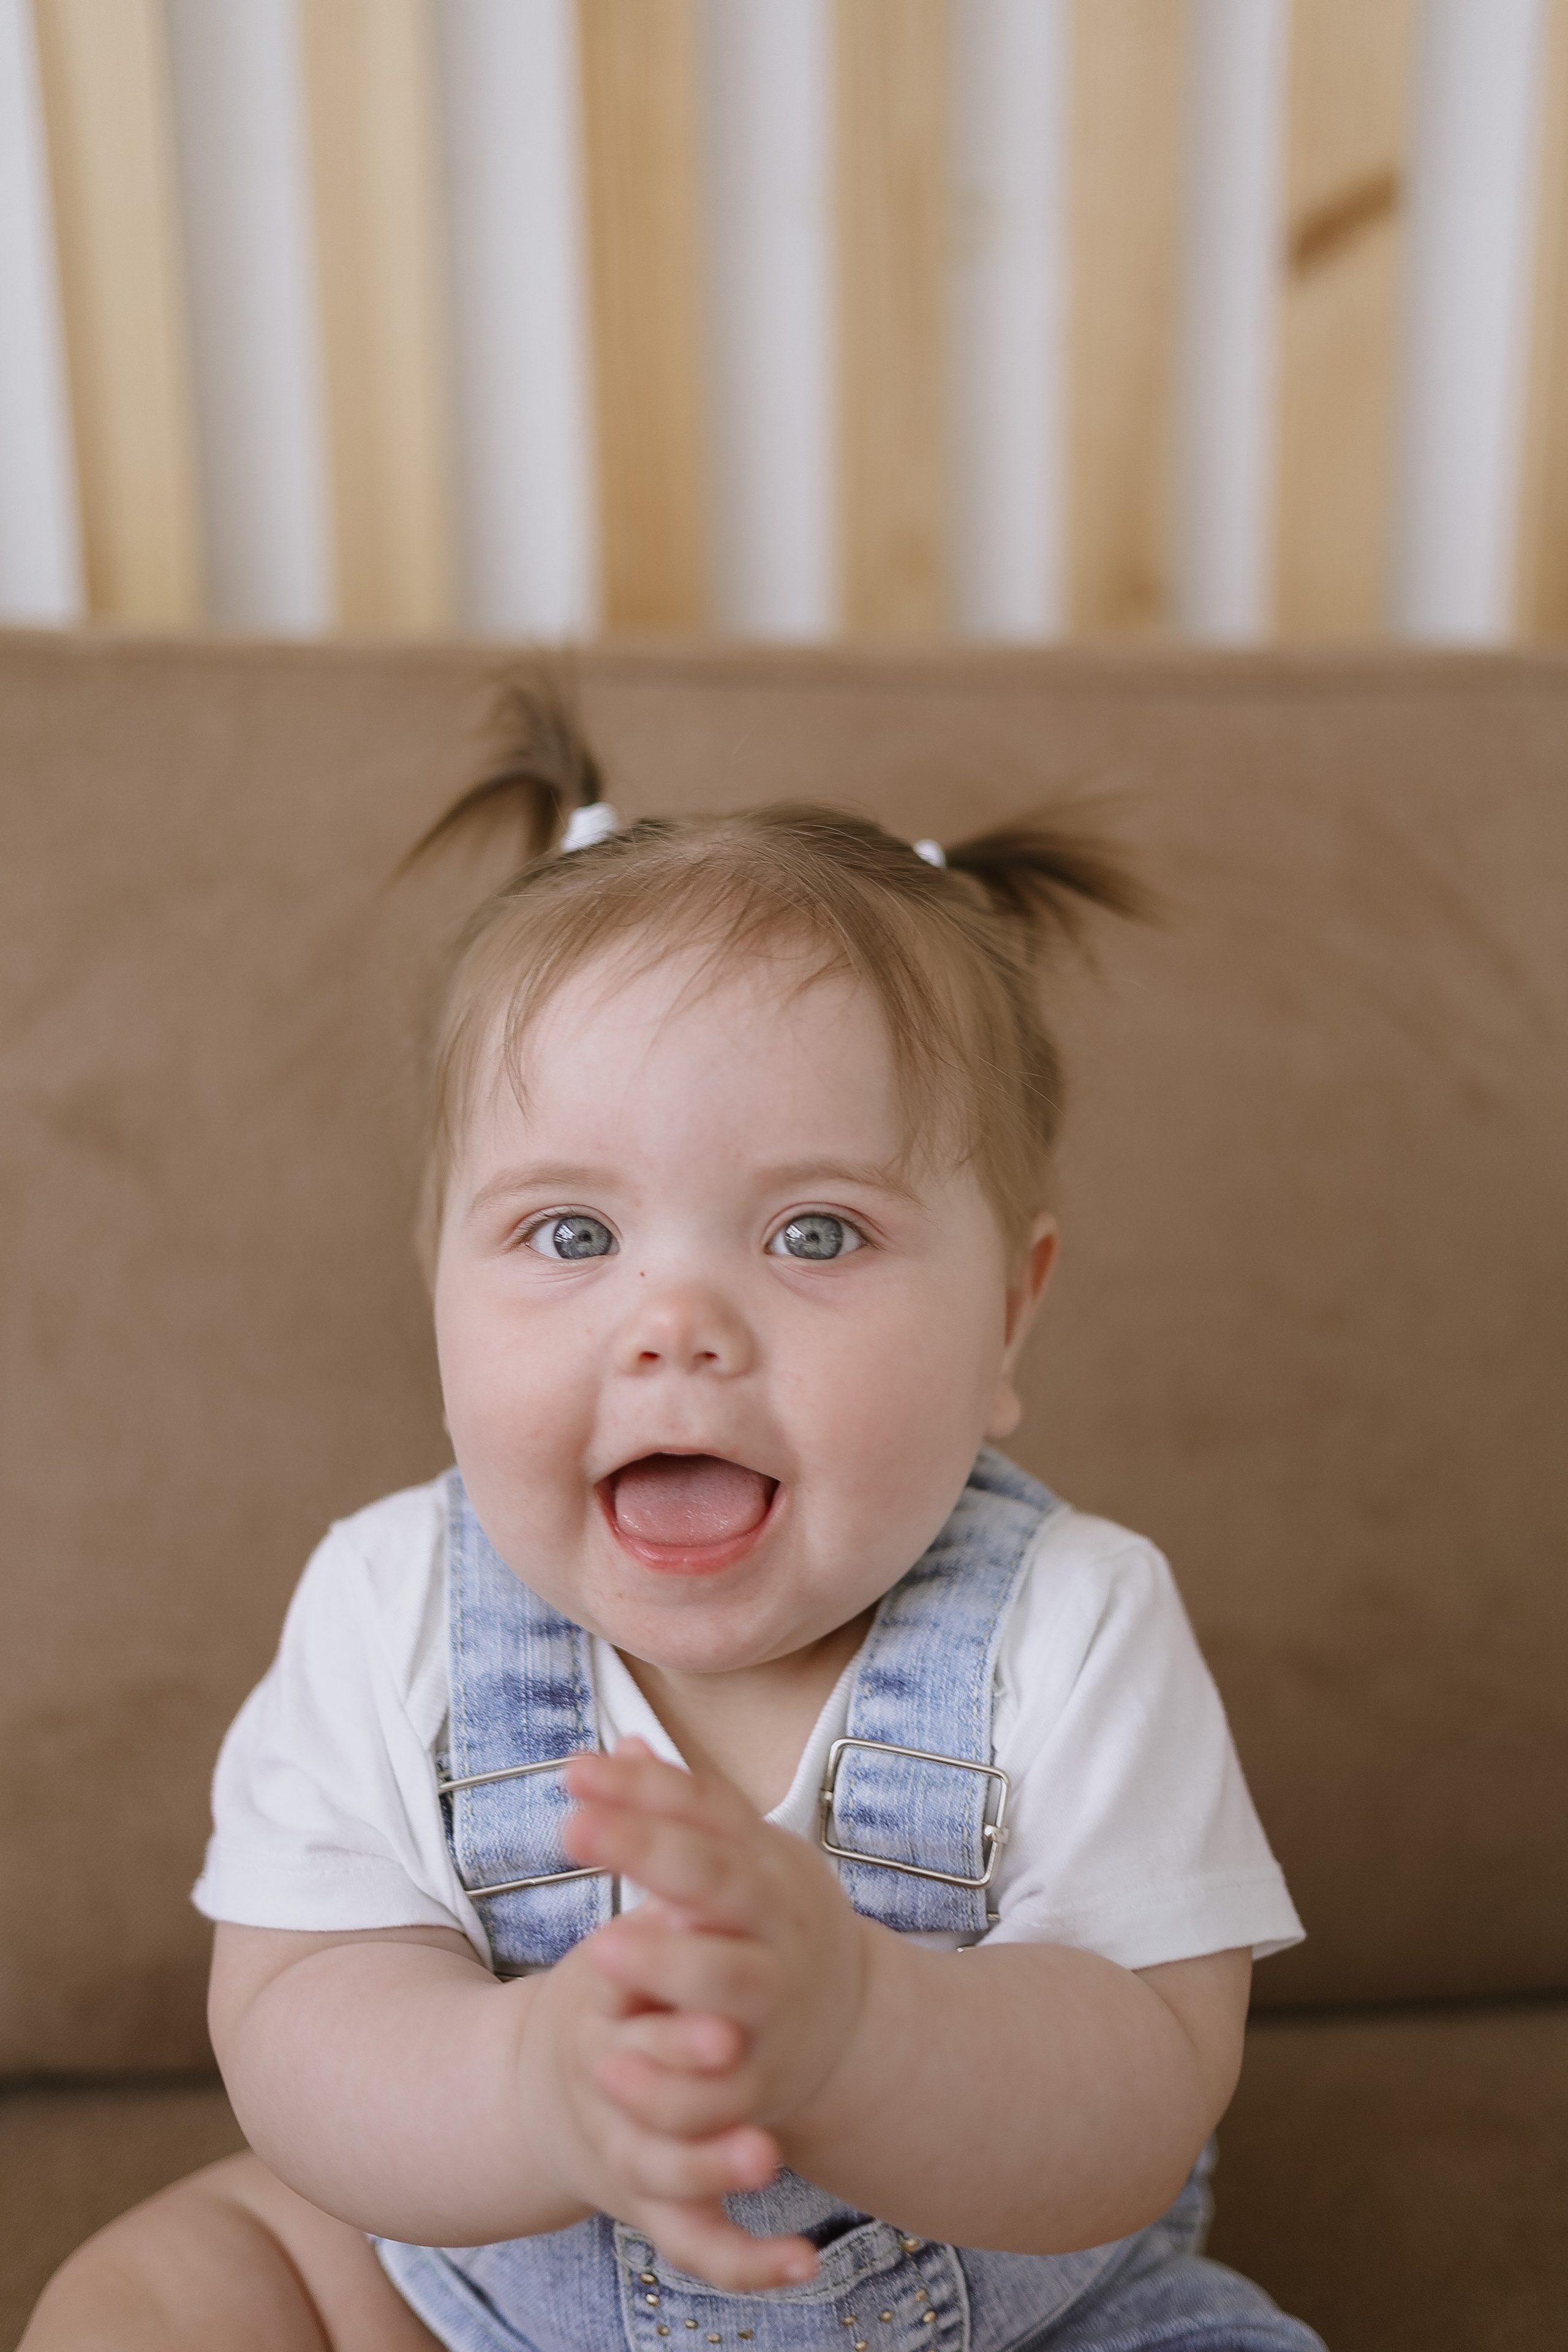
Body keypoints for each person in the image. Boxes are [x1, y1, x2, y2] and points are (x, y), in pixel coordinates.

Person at [23, 689, 1322, 2352]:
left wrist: (863, 2031)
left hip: (1024, 2328)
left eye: (817, 1235)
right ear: (437, 1300)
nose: (676, 1323)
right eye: (570, 1237)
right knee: (166, 2295)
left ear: (1009, 1315)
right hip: (471, 2306)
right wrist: (531, 2086)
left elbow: (1142, 2088)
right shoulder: (389, 1601)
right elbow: (294, 2019)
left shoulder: (1077, 1619)